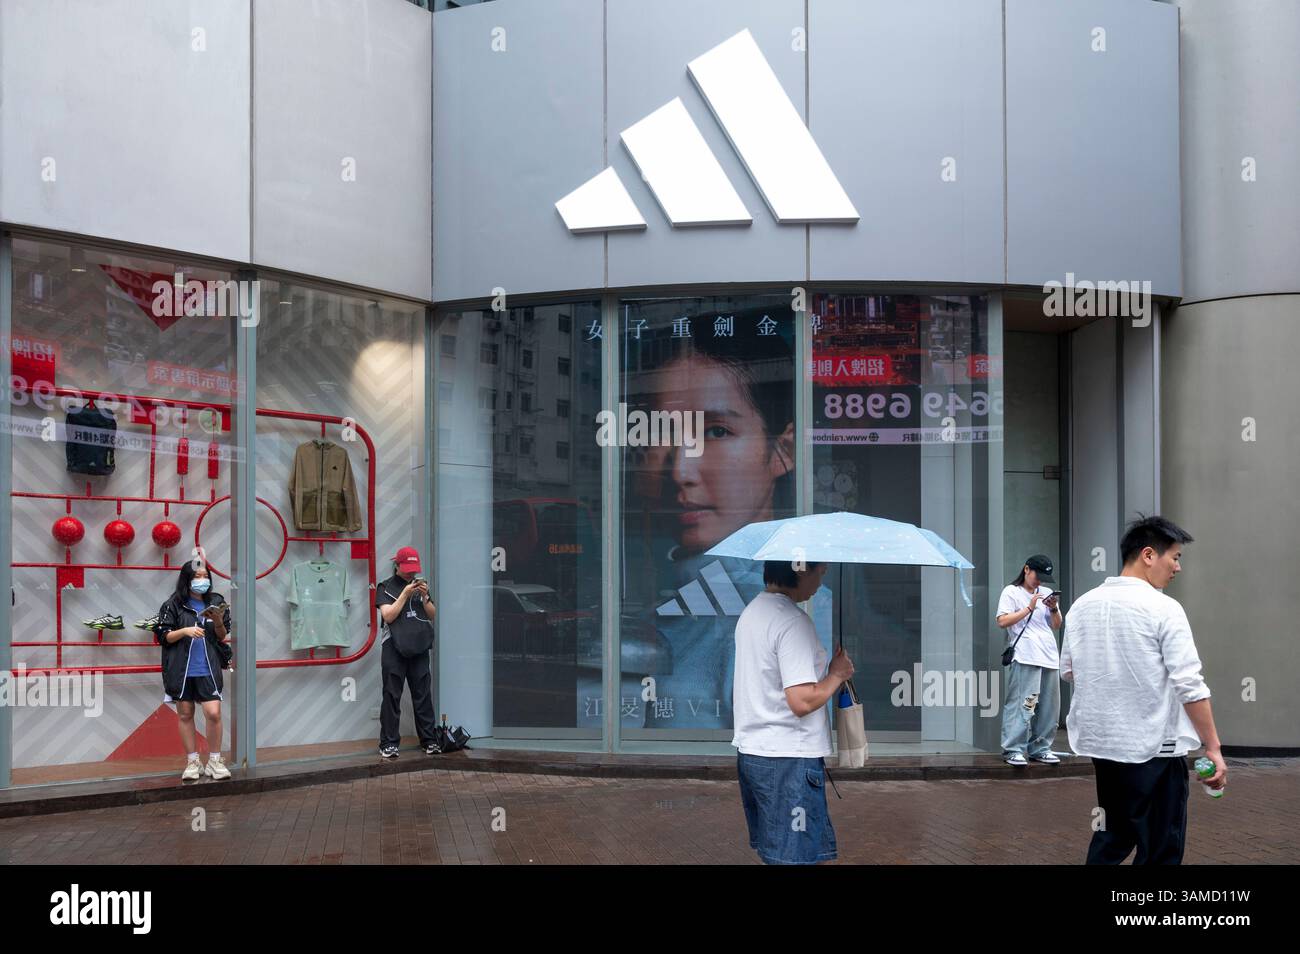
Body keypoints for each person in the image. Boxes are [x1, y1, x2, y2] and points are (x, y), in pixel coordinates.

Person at [622, 320, 833, 731]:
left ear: (782, 451)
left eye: (717, 431)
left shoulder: (786, 609)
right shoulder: (668, 609)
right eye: (660, 434)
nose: (680, 469)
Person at [1061, 515, 1225, 865]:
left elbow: (1070, 671)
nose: (1177, 567)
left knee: (1111, 838)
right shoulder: (1164, 608)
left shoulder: (1080, 607)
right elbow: (1189, 684)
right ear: (1149, 555)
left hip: (1105, 748)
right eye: (1175, 557)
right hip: (1157, 750)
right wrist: (1212, 747)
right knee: (1161, 848)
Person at [733, 559, 853, 865]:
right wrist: (837, 675)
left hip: (755, 753)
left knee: (779, 852)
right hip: (788, 758)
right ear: (801, 570)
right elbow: (801, 701)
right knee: (794, 858)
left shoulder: (752, 613)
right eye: (820, 573)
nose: (820, 584)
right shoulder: (792, 622)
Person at [154, 561, 233, 782]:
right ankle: (192, 761)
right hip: (182, 669)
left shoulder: (216, 602)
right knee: (186, 714)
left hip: (208, 667)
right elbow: (163, 637)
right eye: (197, 576)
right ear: (187, 579)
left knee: (214, 713)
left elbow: (221, 636)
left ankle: (215, 761)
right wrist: (185, 630)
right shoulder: (173, 604)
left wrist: (218, 621)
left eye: (205, 575)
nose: (202, 580)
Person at [996, 554, 1063, 766]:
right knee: (1023, 704)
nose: (1039, 581)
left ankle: (1041, 748)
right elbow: (1002, 621)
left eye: (1043, 578)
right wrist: (1028, 608)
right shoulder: (1011, 591)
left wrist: (1052, 607)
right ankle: (1013, 749)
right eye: (1037, 575)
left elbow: (1056, 624)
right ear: (1026, 570)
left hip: (1049, 656)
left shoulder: (1046, 592)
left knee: (1049, 707)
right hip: (1025, 655)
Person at [375, 546, 438, 759]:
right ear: (397, 566)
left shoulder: (420, 586)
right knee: (392, 695)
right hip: (394, 647)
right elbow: (389, 615)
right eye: (407, 569)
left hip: (419, 646)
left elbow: (432, 615)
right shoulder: (385, 587)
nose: (412, 573)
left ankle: (429, 740)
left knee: (423, 695)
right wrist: (404, 594)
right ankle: (389, 743)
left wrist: (425, 597)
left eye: (414, 569)